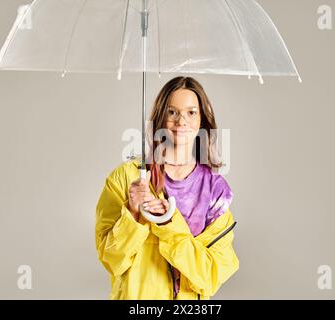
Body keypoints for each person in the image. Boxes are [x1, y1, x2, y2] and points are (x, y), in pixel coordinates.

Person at [95, 76, 239, 300]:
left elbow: (210, 276)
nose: (181, 121)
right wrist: (132, 215)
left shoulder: (215, 192)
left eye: (191, 112)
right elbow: (110, 259)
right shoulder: (126, 178)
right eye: (172, 112)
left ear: (202, 120)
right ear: (161, 117)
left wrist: (170, 224)